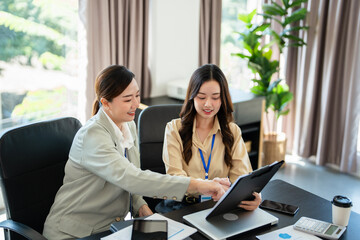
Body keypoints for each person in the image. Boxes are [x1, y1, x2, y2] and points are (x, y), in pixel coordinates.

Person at [42, 65, 230, 239]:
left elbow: (130, 179)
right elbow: (132, 178)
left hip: (109, 229)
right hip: (73, 233)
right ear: (106, 103)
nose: (135, 104)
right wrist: (200, 185)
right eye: (127, 99)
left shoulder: (128, 125)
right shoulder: (92, 136)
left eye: (137, 96)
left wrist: (142, 208)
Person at [156, 64, 261, 213]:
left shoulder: (232, 132)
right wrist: (210, 186)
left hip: (220, 204)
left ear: (223, 98)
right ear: (192, 96)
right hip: (182, 206)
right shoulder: (174, 129)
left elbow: (241, 178)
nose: (208, 104)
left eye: (215, 97)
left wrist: (252, 196)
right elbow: (175, 179)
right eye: (201, 97)